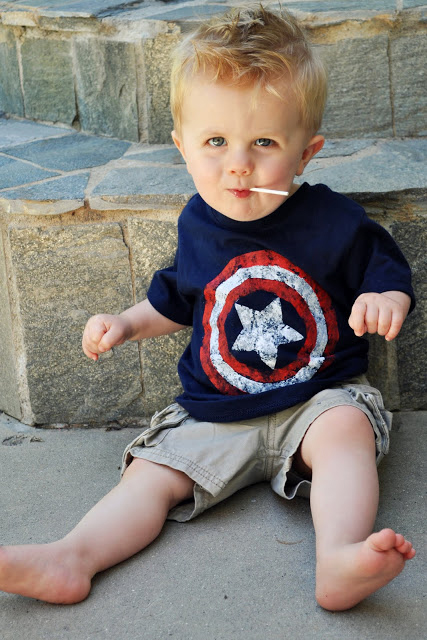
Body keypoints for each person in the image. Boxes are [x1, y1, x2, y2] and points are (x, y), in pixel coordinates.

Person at [0, 5, 416, 611]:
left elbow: (388, 271)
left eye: (264, 143)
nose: (238, 164)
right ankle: (74, 556)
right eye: (215, 142)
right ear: (183, 148)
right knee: (151, 476)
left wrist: (385, 298)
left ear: (307, 153)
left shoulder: (335, 220)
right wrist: (126, 323)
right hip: (215, 411)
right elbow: (174, 300)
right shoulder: (198, 222)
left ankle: (341, 556)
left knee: (346, 433)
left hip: (316, 400)